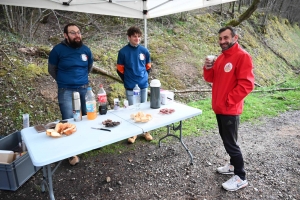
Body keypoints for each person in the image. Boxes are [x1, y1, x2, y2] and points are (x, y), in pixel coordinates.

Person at [203, 26, 255, 191]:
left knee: (231, 144)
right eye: (220, 39)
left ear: (235, 37)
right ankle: (232, 166)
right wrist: (208, 66)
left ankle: (241, 177)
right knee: (228, 141)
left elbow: (247, 84)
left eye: (226, 38)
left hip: (229, 109)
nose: (222, 41)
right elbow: (210, 78)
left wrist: (228, 101)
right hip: (219, 108)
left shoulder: (242, 56)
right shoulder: (221, 58)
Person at [48, 23, 93, 165]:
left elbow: (89, 67)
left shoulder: (86, 50)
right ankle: (71, 152)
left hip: (84, 89)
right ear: (65, 35)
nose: (77, 35)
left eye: (78, 32)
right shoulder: (57, 50)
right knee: (68, 120)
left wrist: (80, 80)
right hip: (66, 90)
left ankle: (87, 143)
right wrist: (64, 81)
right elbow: (52, 70)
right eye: (73, 33)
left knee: (87, 117)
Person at [116, 26, 152, 144]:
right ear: (129, 37)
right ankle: (133, 133)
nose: (137, 38)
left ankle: (146, 131)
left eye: (138, 36)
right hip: (130, 85)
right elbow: (120, 70)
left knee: (143, 108)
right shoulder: (123, 52)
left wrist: (144, 77)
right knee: (133, 109)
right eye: (134, 36)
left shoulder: (144, 51)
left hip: (143, 84)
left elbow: (148, 67)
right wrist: (127, 79)